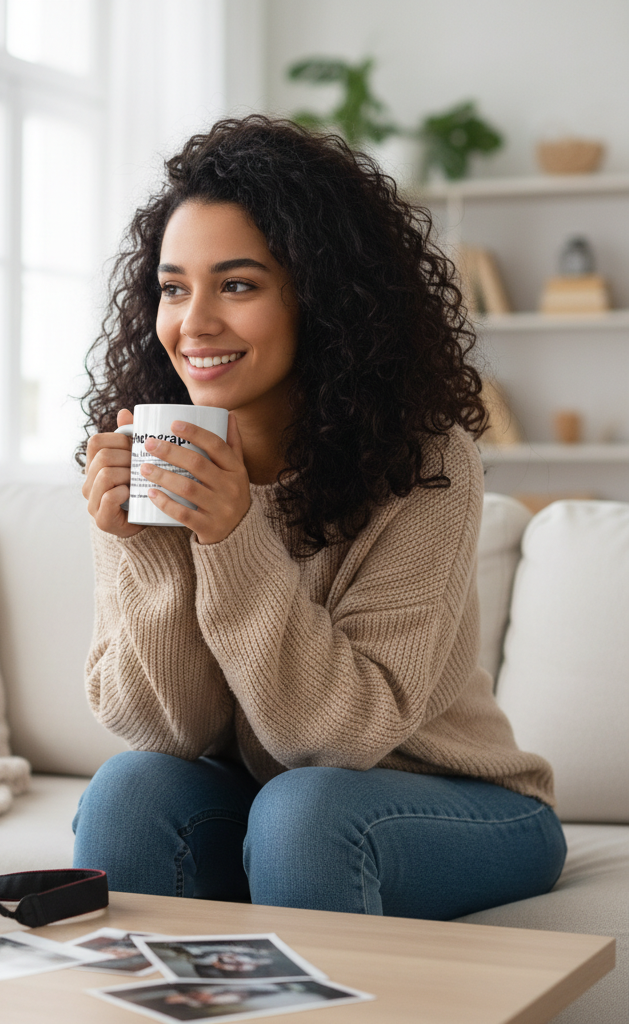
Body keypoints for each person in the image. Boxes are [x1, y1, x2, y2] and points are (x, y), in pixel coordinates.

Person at [72, 116, 565, 920]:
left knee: (303, 816)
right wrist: (146, 547)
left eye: (238, 285)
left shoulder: (424, 462)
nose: (194, 323)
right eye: (173, 287)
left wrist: (233, 538)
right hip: (273, 797)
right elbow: (169, 732)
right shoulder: (150, 452)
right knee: (130, 791)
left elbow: (341, 737)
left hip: (456, 797)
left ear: (322, 297)